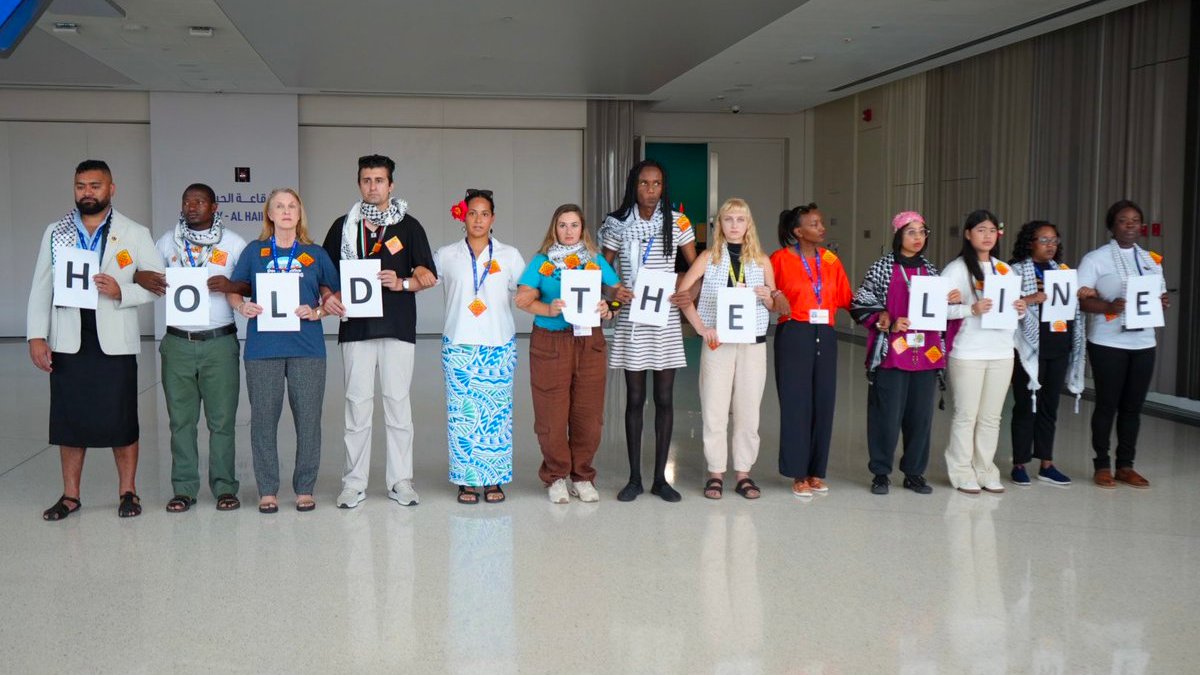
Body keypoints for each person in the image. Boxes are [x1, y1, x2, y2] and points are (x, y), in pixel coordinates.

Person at [28, 159, 164, 520]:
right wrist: (36, 335)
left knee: (122, 419)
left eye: (95, 186)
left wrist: (123, 290)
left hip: (114, 338)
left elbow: (157, 285)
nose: (87, 192)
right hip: (68, 338)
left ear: (111, 189)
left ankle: (128, 492)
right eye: (81, 186)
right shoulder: (55, 233)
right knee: (69, 420)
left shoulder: (134, 232)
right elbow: (41, 286)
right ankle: (70, 496)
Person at [319, 154, 437, 509]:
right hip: (355, 328)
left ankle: (400, 480)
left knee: (398, 405)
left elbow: (428, 277)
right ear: (359, 184)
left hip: (398, 327)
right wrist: (330, 298)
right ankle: (354, 482)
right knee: (357, 406)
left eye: (379, 180)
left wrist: (401, 282)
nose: (373, 186)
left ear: (391, 185)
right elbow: (325, 278)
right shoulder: (343, 226)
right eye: (367, 180)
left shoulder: (409, 226)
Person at [134, 183, 248, 512]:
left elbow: (251, 283)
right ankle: (183, 488)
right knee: (181, 421)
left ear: (215, 207)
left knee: (222, 421)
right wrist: (142, 277)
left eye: (200, 201)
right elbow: (143, 273)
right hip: (178, 343)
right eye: (186, 201)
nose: (192, 206)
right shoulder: (168, 241)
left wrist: (231, 285)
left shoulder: (234, 243)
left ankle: (225, 486)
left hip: (219, 342)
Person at [226, 188, 340, 513]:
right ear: (270, 214)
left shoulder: (315, 254)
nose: (286, 211)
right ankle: (267, 490)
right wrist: (241, 307)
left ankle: (305, 488)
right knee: (263, 419)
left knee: (308, 420)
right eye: (280, 206)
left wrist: (318, 311)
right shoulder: (254, 251)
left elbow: (331, 295)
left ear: (299, 213)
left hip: (307, 347)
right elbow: (234, 290)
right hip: (263, 348)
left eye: (292, 206)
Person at [600, 160, 697, 502]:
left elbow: (695, 266)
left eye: (656, 183)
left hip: (665, 316)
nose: (650, 190)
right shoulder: (617, 223)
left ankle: (660, 478)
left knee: (665, 398)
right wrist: (613, 292)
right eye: (644, 183)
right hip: (632, 317)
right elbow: (603, 267)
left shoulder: (678, 221)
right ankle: (634, 478)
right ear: (633, 185)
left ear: (663, 186)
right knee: (636, 398)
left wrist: (687, 291)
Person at [850, 211, 958, 495]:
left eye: (922, 232)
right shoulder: (881, 268)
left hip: (926, 354)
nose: (918, 237)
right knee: (885, 415)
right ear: (899, 235)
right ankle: (881, 473)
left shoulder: (932, 272)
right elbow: (861, 301)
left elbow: (942, 316)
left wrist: (951, 301)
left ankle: (914, 473)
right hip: (892, 354)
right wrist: (886, 318)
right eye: (911, 232)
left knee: (920, 418)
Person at [515, 204, 617, 503]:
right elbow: (522, 297)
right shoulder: (541, 261)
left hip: (589, 341)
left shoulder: (595, 260)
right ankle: (556, 475)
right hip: (551, 340)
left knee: (588, 413)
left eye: (574, 225)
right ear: (554, 228)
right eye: (562, 225)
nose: (568, 231)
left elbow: (618, 293)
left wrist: (609, 308)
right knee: (552, 412)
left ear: (582, 228)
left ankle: (582, 475)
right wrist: (546, 307)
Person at [676, 198, 776, 500]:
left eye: (740, 220)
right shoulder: (709, 257)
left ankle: (744, 472)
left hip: (752, 343)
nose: (734, 225)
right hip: (717, 343)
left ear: (749, 225)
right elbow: (682, 294)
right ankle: (716, 471)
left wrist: (766, 295)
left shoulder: (761, 260)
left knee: (748, 410)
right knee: (714, 409)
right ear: (719, 224)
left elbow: (774, 304)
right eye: (728, 219)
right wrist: (699, 327)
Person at [434, 189, 525, 504]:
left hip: (498, 346)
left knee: (496, 417)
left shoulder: (509, 255)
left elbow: (527, 291)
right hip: (459, 346)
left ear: (493, 218)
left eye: (484, 213)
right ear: (463, 216)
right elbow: (421, 279)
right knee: (463, 416)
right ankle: (467, 481)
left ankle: (495, 479)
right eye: (472, 212)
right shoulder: (446, 255)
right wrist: (401, 281)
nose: (478, 219)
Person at [1077, 200, 1168, 489]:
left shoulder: (1151, 260)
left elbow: (1157, 294)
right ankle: (1102, 464)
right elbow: (1080, 300)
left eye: (1135, 220)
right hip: (1107, 342)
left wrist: (1161, 302)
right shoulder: (1096, 259)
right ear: (1112, 225)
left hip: (1143, 342)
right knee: (1107, 404)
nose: (1130, 225)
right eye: (1123, 220)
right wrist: (1108, 305)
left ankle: (1126, 465)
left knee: (1133, 407)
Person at [941, 210, 1027, 494]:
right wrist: (970, 309)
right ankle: (961, 470)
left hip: (1002, 351)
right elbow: (938, 308)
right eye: (980, 230)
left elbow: (1013, 307)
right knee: (966, 415)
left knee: (992, 416)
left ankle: (986, 469)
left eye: (992, 230)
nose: (987, 235)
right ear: (968, 234)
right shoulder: (956, 269)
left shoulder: (1005, 269)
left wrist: (1021, 308)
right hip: (968, 352)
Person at [771, 203, 853, 499]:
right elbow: (766, 292)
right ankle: (798, 473)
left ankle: (817, 471)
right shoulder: (779, 259)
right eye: (815, 224)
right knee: (796, 404)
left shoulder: (831, 260)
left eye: (821, 223)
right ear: (798, 231)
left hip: (826, 333)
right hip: (794, 332)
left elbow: (848, 297)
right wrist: (773, 295)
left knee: (823, 402)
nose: (822, 228)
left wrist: (879, 314)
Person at [1008, 220, 1090, 488]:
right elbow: (1006, 305)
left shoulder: (1063, 271)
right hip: (1028, 347)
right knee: (1025, 405)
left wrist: (1081, 294)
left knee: (1049, 407)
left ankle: (1046, 463)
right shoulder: (1014, 271)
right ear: (1030, 242)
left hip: (1058, 345)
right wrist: (1031, 298)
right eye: (1044, 240)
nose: (1051, 245)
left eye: (1054, 240)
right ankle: (1019, 463)